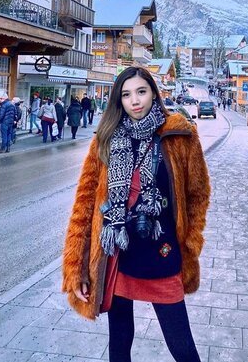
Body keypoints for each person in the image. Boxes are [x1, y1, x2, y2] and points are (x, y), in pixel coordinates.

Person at [62, 67, 210, 362]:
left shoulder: (179, 136)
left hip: (163, 254)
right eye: (126, 95)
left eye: (141, 91)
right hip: (117, 254)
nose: (135, 101)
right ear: (119, 100)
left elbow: (198, 194)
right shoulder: (106, 140)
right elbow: (85, 205)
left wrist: (190, 242)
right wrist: (77, 267)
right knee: (119, 340)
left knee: (181, 345)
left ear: (154, 93)